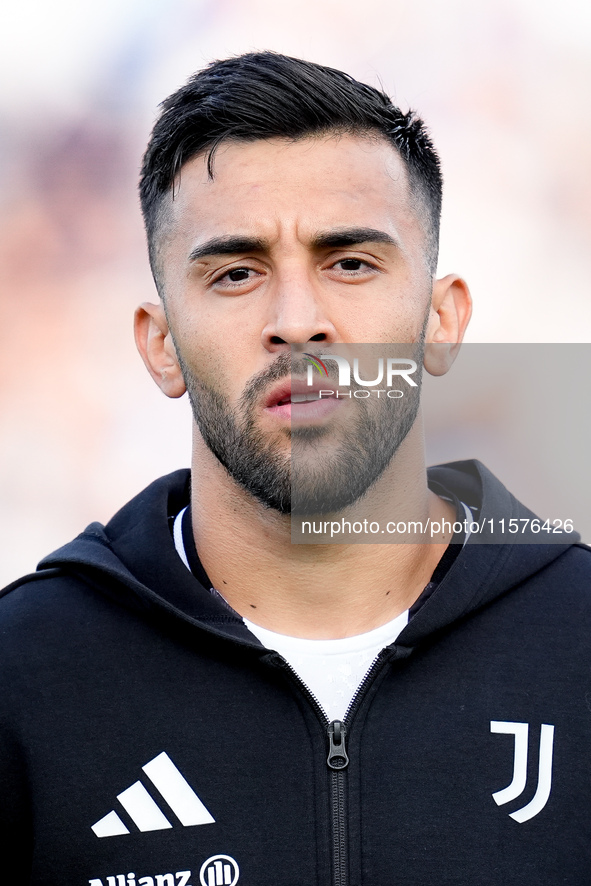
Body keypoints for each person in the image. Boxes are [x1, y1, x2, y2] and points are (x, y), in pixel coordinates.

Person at [1, 51, 590, 886]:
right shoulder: (26, 676)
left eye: (349, 263)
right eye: (236, 273)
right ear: (159, 345)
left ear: (441, 321)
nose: (297, 321)